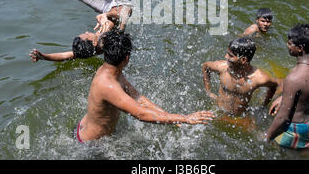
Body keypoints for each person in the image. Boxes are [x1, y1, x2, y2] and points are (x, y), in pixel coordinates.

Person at [76, 30, 215, 142]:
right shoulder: (108, 85)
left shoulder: (111, 70)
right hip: (91, 144)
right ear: (126, 59)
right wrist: (185, 118)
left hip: (91, 130)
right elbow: (141, 114)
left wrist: (169, 116)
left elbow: (137, 97)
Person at [202, 37, 282, 130]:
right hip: (219, 111)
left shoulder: (258, 78)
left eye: (230, 55)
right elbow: (205, 67)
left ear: (243, 59)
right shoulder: (222, 68)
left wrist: (264, 105)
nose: (226, 57)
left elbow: (274, 86)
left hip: (241, 117)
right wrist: (208, 92)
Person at [265, 24, 309, 149]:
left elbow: (282, 116)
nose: (287, 45)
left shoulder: (294, 78)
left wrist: (265, 136)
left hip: (294, 129)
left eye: (290, 43)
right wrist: (284, 97)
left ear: (300, 48)